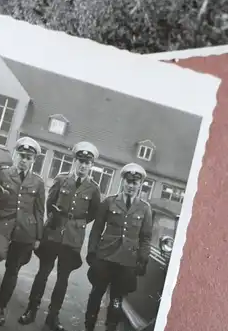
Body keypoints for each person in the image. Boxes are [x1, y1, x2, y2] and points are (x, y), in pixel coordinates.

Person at [19, 141, 102, 331]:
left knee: (63, 278)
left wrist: (75, 223)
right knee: (43, 273)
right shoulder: (62, 179)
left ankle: (53, 316)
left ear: (91, 165)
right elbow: (49, 203)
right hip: (54, 232)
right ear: (75, 161)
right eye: (80, 161)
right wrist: (57, 218)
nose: (83, 166)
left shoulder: (93, 189)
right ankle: (31, 309)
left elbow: (92, 213)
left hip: (73, 238)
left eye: (87, 163)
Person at [0, 137, 46, 326]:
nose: (24, 160)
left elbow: (40, 211)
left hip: (26, 230)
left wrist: (38, 237)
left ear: (34, 161)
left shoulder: (38, 182)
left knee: (13, 270)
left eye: (29, 158)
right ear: (17, 155)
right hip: (4, 222)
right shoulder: (5, 174)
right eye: (22, 156)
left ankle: (0, 307)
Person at [84, 163, 153, 331]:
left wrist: (142, 260)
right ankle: (89, 326)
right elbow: (96, 230)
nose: (131, 186)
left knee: (117, 300)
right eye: (128, 181)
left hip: (126, 262)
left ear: (140, 185)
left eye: (135, 183)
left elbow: (145, 237)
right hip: (105, 258)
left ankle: (111, 327)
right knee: (96, 294)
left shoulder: (145, 209)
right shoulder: (109, 202)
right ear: (123, 181)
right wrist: (92, 252)